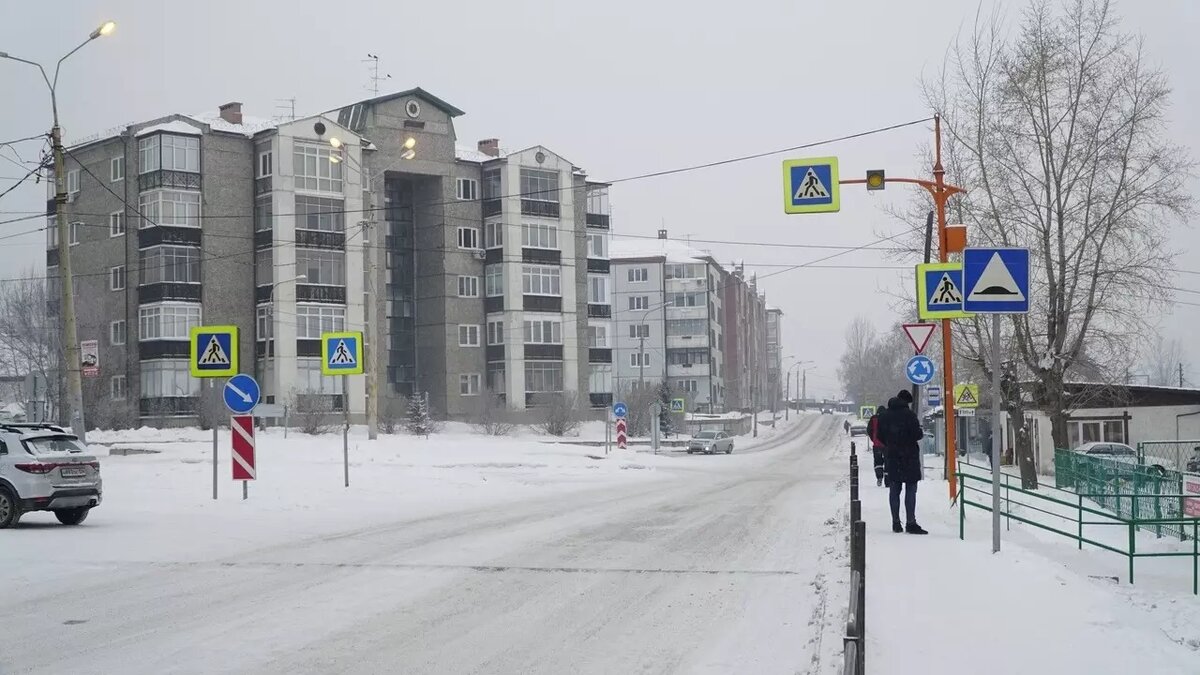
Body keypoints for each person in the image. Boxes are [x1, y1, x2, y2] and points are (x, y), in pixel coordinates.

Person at [881, 390, 927, 535]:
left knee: (894, 489)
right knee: (911, 489)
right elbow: (917, 434)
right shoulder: (910, 415)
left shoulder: (885, 415)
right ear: (907, 401)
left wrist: (891, 444)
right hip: (910, 456)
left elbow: (880, 435)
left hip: (893, 456)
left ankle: (895, 523)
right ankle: (910, 523)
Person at [867, 405, 887, 487]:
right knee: (888, 461)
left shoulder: (873, 418)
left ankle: (879, 477)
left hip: (877, 444)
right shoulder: (888, 418)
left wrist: (874, 439)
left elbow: (869, 430)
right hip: (887, 445)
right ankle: (888, 481)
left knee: (878, 462)